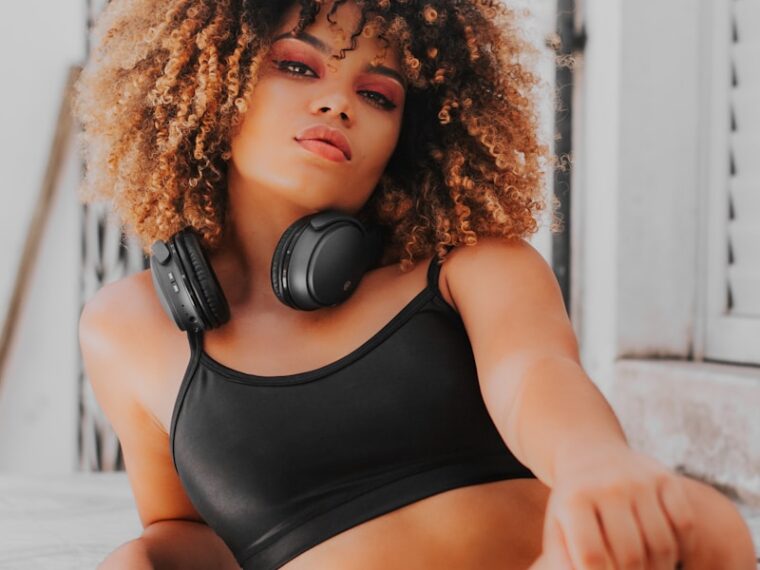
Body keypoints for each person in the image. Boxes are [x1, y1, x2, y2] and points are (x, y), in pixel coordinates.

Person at [73, 0, 757, 568]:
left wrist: (595, 463)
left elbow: (535, 375)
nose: (337, 102)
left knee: (696, 522)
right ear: (209, 87)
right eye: (295, 65)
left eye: (377, 94)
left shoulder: (473, 267)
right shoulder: (127, 328)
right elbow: (186, 533)